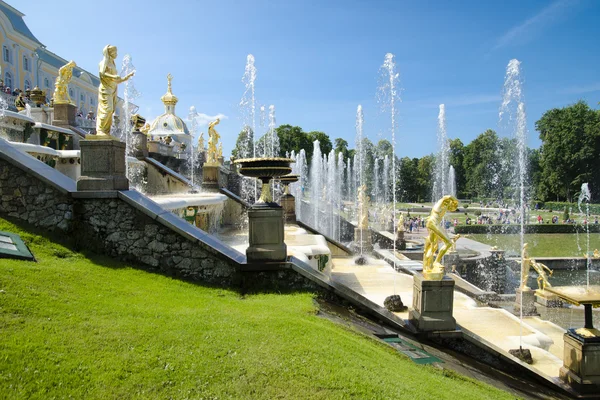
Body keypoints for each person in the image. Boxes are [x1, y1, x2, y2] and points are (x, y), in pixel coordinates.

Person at [96, 45, 134, 137]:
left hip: (112, 89)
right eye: (114, 52)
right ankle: (100, 130)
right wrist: (113, 76)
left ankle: (105, 131)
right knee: (107, 109)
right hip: (105, 89)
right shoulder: (103, 62)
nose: (116, 54)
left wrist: (126, 77)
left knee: (111, 110)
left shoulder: (112, 64)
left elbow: (117, 80)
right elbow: (101, 73)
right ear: (109, 53)